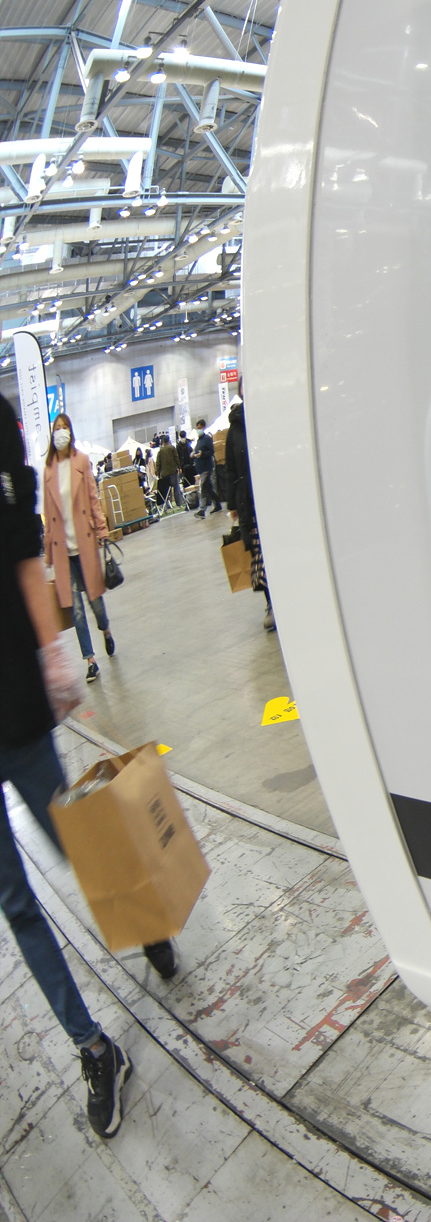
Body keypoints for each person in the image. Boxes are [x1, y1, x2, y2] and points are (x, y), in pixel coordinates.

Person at [0, 394, 137, 1138]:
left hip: (13, 703)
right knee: (15, 902)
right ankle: (94, 1047)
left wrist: (55, 656)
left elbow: (26, 556)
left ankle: (144, 914)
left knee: (77, 847)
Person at [43, 413, 116, 683]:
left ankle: (106, 630)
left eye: (64, 427)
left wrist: (102, 530)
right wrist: (48, 553)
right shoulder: (48, 469)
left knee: (95, 603)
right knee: (75, 610)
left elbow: (93, 499)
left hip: (84, 543)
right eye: (57, 428)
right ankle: (90, 660)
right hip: (63, 551)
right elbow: (48, 513)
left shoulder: (82, 461)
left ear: (71, 432)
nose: (60, 432)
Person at [224, 396, 272, 631]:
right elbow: (230, 468)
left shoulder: (267, 416)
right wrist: (232, 504)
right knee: (258, 552)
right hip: (248, 500)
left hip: (271, 495)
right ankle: (271, 603)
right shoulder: (235, 429)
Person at [192, 418, 216, 518]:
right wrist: (194, 454)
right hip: (201, 468)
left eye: (200, 428)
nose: (199, 430)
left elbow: (211, 452)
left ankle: (202, 510)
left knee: (203, 489)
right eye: (197, 428)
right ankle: (217, 503)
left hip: (206, 467)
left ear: (204, 427)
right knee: (208, 488)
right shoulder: (199, 440)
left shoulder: (207, 439)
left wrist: (202, 454)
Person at [154, 434, 181, 510]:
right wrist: (179, 467)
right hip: (173, 471)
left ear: (163, 442)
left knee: (167, 491)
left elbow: (158, 462)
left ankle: (168, 505)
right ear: (169, 441)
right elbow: (176, 458)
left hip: (164, 474)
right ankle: (178, 504)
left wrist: (158, 471)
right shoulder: (172, 448)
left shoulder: (160, 450)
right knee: (176, 489)